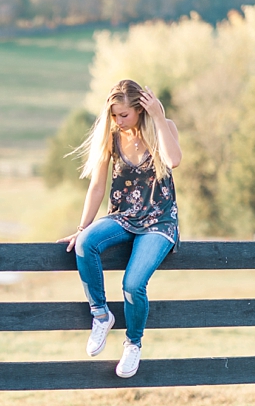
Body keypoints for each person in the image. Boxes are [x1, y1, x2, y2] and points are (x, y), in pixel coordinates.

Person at [57, 79, 182, 378]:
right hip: (123, 217)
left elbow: (174, 160)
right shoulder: (111, 137)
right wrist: (82, 227)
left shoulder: (164, 129)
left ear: (140, 110)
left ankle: (133, 344)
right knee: (86, 243)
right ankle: (100, 315)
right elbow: (97, 186)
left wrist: (159, 115)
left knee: (133, 284)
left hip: (159, 221)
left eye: (124, 114)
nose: (118, 120)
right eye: (114, 114)